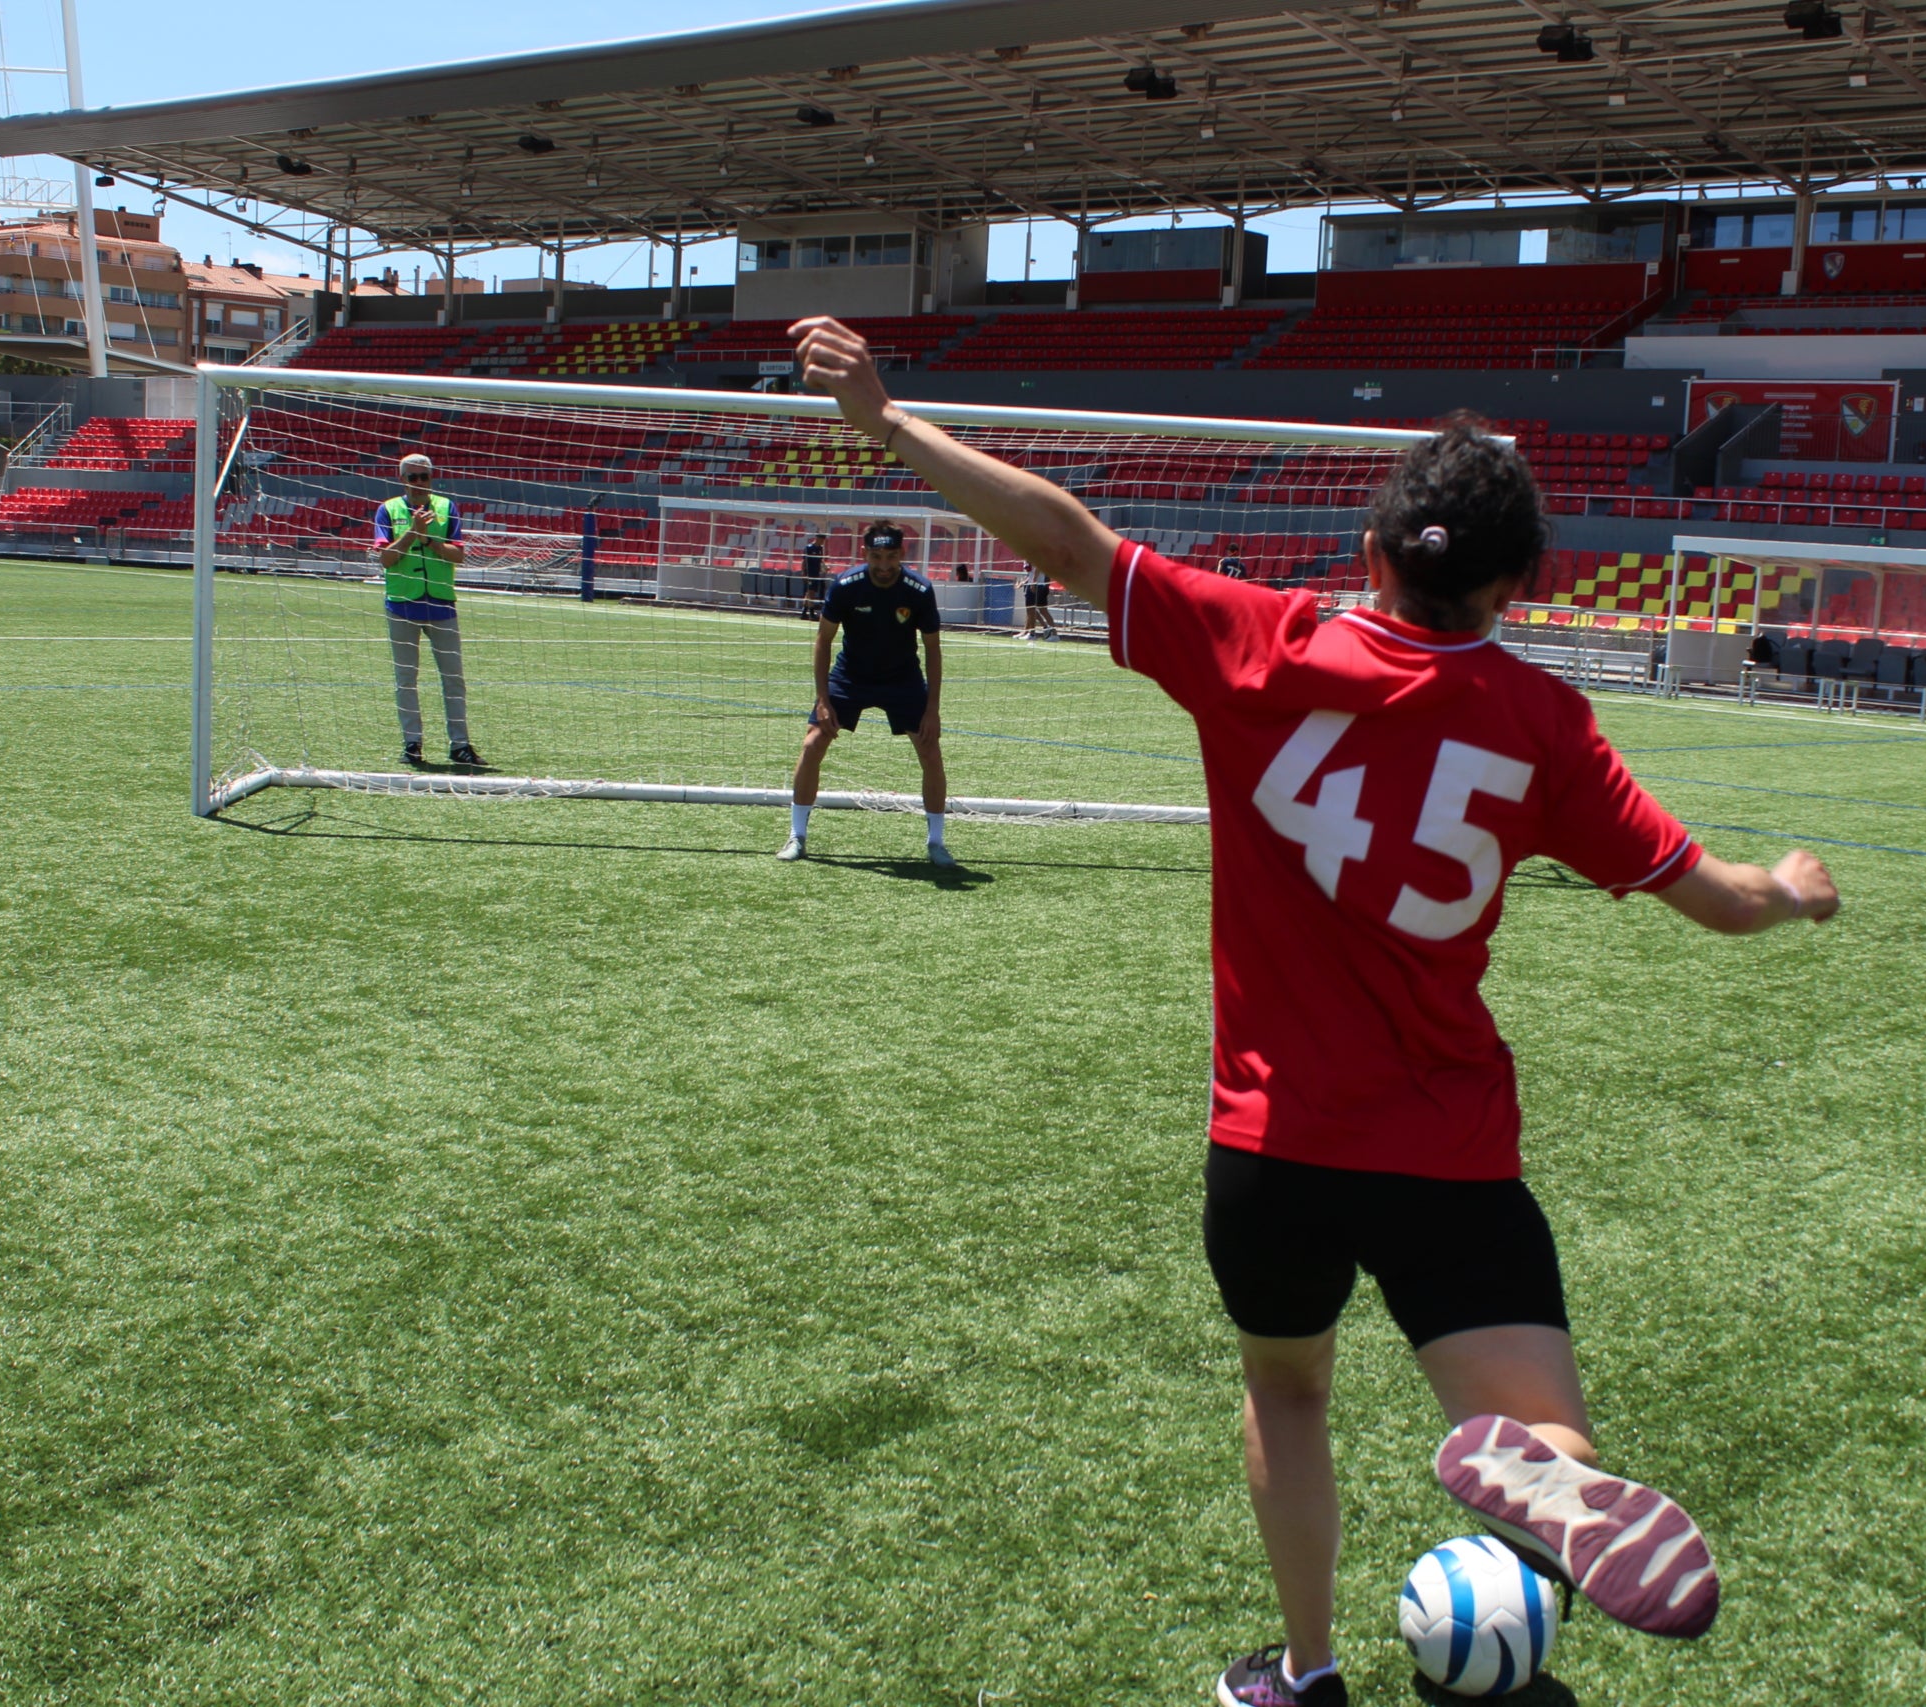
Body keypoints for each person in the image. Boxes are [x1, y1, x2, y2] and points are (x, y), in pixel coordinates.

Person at [790, 315, 1844, 1707]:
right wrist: (1788, 889)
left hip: (1274, 1141)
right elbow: (1710, 896)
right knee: (1543, 1421)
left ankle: (1306, 1667)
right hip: (1447, 1143)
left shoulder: (1257, 642)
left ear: (1367, 552)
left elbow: (1066, 540)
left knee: (1288, 1391)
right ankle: (1552, 1478)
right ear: (1517, 586)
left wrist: (888, 423)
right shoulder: (1544, 726)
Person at [781, 518, 951, 866]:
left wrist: (932, 708)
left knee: (930, 749)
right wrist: (823, 700)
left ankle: (936, 843)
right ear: (865, 554)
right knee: (812, 743)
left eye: (891, 557)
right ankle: (797, 836)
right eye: (876, 557)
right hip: (851, 677)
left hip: (902, 679)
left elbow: (933, 649)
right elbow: (823, 640)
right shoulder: (846, 585)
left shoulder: (919, 590)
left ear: (902, 553)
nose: (884, 565)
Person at [372, 453, 482, 768]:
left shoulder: (447, 508)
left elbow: (458, 555)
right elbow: (386, 559)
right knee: (406, 679)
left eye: (425, 477)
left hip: (441, 603)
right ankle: (412, 744)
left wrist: (429, 540)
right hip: (402, 604)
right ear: (402, 479)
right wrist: (412, 533)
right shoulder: (387, 510)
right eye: (413, 477)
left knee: (454, 679)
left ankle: (460, 745)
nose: (419, 483)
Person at [1020, 560, 1057, 639]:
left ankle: (1032, 634)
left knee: (1033, 610)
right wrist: (1023, 582)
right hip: (1037, 584)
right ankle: (1053, 634)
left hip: (1037, 585)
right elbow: (1031, 573)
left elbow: (1038, 565)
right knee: (1037, 610)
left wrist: (1034, 581)